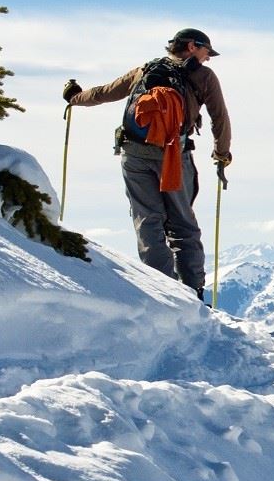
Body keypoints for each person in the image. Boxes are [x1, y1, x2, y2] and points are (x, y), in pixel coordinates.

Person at [64, 28, 233, 299]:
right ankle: (193, 294)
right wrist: (222, 154)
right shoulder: (203, 76)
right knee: (182, 225)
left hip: (133, 154)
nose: (208, 58)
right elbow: (219, 118)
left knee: (147, 221)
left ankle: (165, 294)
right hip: (174, 156)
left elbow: (103, 93)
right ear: (192, 46)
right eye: (206, 52)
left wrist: (74, 98)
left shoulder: (145, 70)